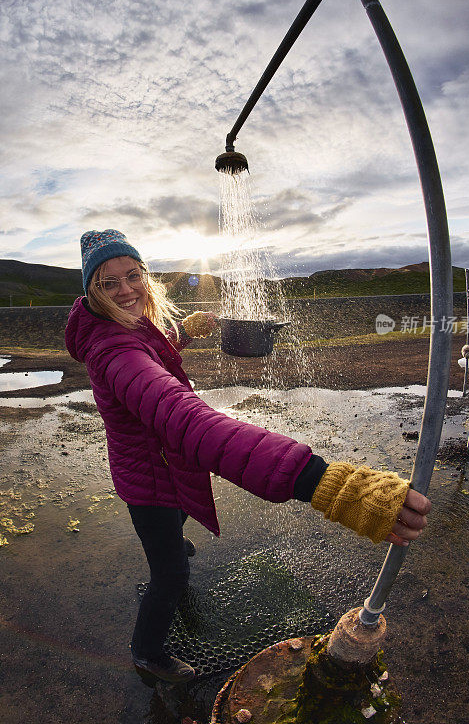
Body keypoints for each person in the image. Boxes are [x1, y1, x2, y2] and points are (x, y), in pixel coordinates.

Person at [65, 229, 431, 686]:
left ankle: (173, 544)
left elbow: (153, 353)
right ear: (92, 293)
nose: (126, 289)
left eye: (132, 275)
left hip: (162, 466)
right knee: (170, 576)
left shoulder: (123, 329)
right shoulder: (114, 351)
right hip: (149, 482)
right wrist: (323, 482)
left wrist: (184, 331)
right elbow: (188, 421)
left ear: (145, 276)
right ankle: (147, 651)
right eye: (108, 282)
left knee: (174, 530)